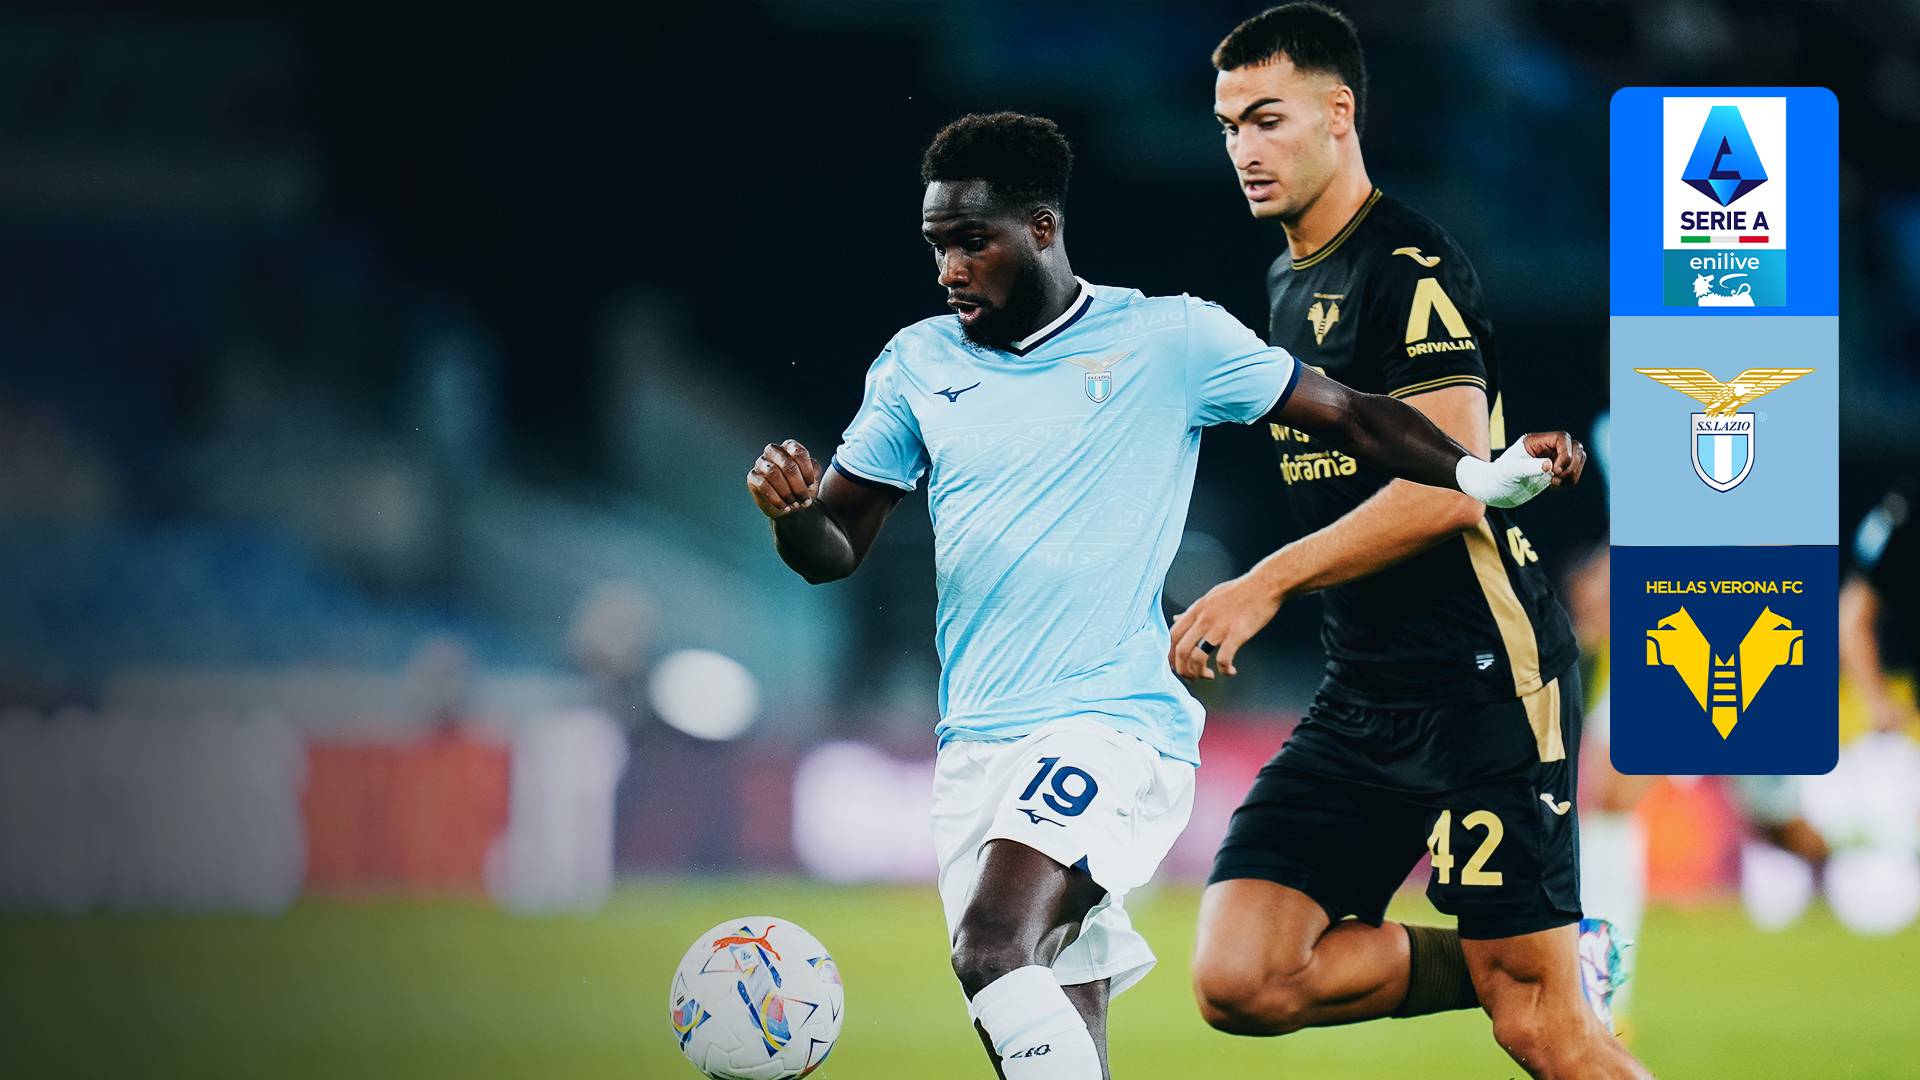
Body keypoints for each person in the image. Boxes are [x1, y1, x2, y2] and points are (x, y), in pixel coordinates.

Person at [747, 110, 1581, 1080]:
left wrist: (1478, 475)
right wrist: (793, 516)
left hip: (1111, 724)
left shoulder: (1168, 338)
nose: (950, 269)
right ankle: (1515, 968)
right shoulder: (916, 365)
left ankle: (1531, 969)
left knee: (991, 948)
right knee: (1041, 1020)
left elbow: (1351, 414)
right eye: (938, 246)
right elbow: (834, 548)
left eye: (972, 241)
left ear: (1042, 228)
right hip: (973, 742)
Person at [1177, 7, 1650, 1079]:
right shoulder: (1289, 279)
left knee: (1543, 1032)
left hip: (1483, 687)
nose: (1244, 148)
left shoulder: (1409, 262)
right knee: (1242, 977)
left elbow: (1450, 490)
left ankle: (1537, 978)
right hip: (1364, 695)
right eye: (1228, 126)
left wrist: (1265, 583)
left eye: (1267, 119)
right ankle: (1536, 962)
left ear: (1339, 114)